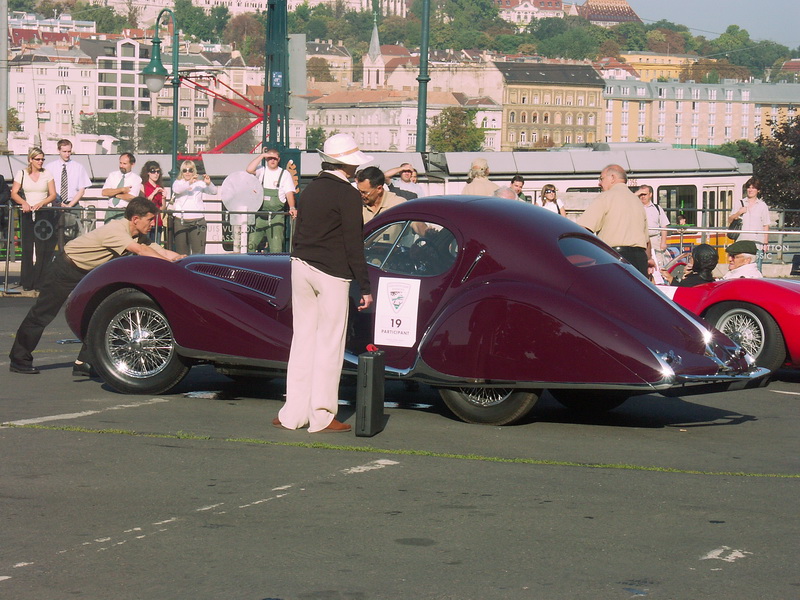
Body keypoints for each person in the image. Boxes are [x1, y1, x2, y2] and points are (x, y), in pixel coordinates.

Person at [8, 197, 185, 375]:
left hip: (89, 274)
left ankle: (84, 363)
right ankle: (19, 358)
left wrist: (181, 260)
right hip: (66, 268)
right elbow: (142, 251)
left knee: (99, 315)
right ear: (135, 219)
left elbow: (159, 250)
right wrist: (169, 265)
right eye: (149, 220)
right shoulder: (116, 230)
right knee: (43, 314)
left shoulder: (138, 235)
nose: (152, 224)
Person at [275, 133, 373, 434]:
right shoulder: (348, 194)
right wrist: (365, 287)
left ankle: (292, 413)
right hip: (331, 272)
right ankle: (321, 415)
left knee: (303, 340)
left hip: (301, 265)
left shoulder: (310, 188)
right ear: (347, 165)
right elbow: (353, 243)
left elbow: (299, 228)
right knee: (330, 344)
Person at [577, 164, 649, 277]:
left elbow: (582, 229)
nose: (599, 183)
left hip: (614, 258)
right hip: (640, 260)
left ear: (612, 178)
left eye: (601, 178)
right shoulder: (637, 202)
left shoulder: (605, 197)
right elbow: (647, 242)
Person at [10, 147, 58, 291]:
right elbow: (14, 193)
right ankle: (27, 281)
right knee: (27, 247)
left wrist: (42, 203)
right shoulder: (22, 173)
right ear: (31, 160)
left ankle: (40, 282)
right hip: (27, 212)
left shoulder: (47, 174)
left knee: (42, 248)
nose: (40, 162)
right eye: (38, 159)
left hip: (43, 213)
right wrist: (24, 203)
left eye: (42, 159)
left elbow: (53, 194)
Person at [245, 148, 297, 253]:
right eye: (269, 158)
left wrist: (292, 207)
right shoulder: (261, 170)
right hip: (259, 216)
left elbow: (289, 192)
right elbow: (249, 170)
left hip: (276, 217)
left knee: (276, 249)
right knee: (250, 246)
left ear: (279, 160)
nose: (272, 161)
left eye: (274, 159)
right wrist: (262, 156)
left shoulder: (285, 174)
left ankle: (276, 269)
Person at [44, 139, 92, 242]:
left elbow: (81, 190)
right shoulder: (50, 167)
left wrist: (70, 205)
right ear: (59, 151)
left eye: (69, 151)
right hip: (55, 205)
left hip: (73, 205)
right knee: (54, 234)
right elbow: (47, 188)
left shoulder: (78, 167)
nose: (67, 154)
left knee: (73, 235)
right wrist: (57, 203)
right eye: (64, 151)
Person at [171, 160, 217, 255]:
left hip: (198, 220)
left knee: (198, 252)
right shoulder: (178, 182)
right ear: (181, 172)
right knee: (181, 252)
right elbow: (177, 190)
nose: (187, 172)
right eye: (185, 170)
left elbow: (214, 192)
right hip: (181, 220)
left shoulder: (199, 183)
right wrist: (189, 183)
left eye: (190, 170)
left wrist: (209, 183)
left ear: (194, 171)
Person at [728, 177, 770, 250]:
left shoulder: (762, 205)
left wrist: (765, 243)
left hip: (757, 242)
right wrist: (739, 213)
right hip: (741, 241)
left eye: (753, 188)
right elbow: (730, 220)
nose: (750, 190)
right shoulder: (739, 203)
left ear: (758, 190)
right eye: (749, 187)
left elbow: (765, 225)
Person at [101, 153, 142, 223]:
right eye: (120, 163)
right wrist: (122, 190)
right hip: (110, 211)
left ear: (132, 164)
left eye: (124, 164)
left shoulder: (136, 179)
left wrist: (114, 194)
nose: (121, 166)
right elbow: (104, 192)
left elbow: (131, 197)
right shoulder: (112, 175)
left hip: (124, 211)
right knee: (108, 233)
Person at [637, 184, 669, 269]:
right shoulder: (635, 208)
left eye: (645, 194)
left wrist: (663, 242)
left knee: (658, 263)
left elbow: (664, 225)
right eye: (641, 194)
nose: (643, 197)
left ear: (650, 194)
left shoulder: (657, 208)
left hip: (654, 239)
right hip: (641, 240)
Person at [141, 161, 165, 244]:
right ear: (147, 173)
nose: (156, 174)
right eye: (153, 171)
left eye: (158, 171)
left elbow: (162, 208)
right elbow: (144, 203)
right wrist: (154, 193)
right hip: (147, 221)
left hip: (157, 221)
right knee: (145, 246)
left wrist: (164, 197)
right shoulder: (143, 186)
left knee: (156, 246)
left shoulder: (160, 187)